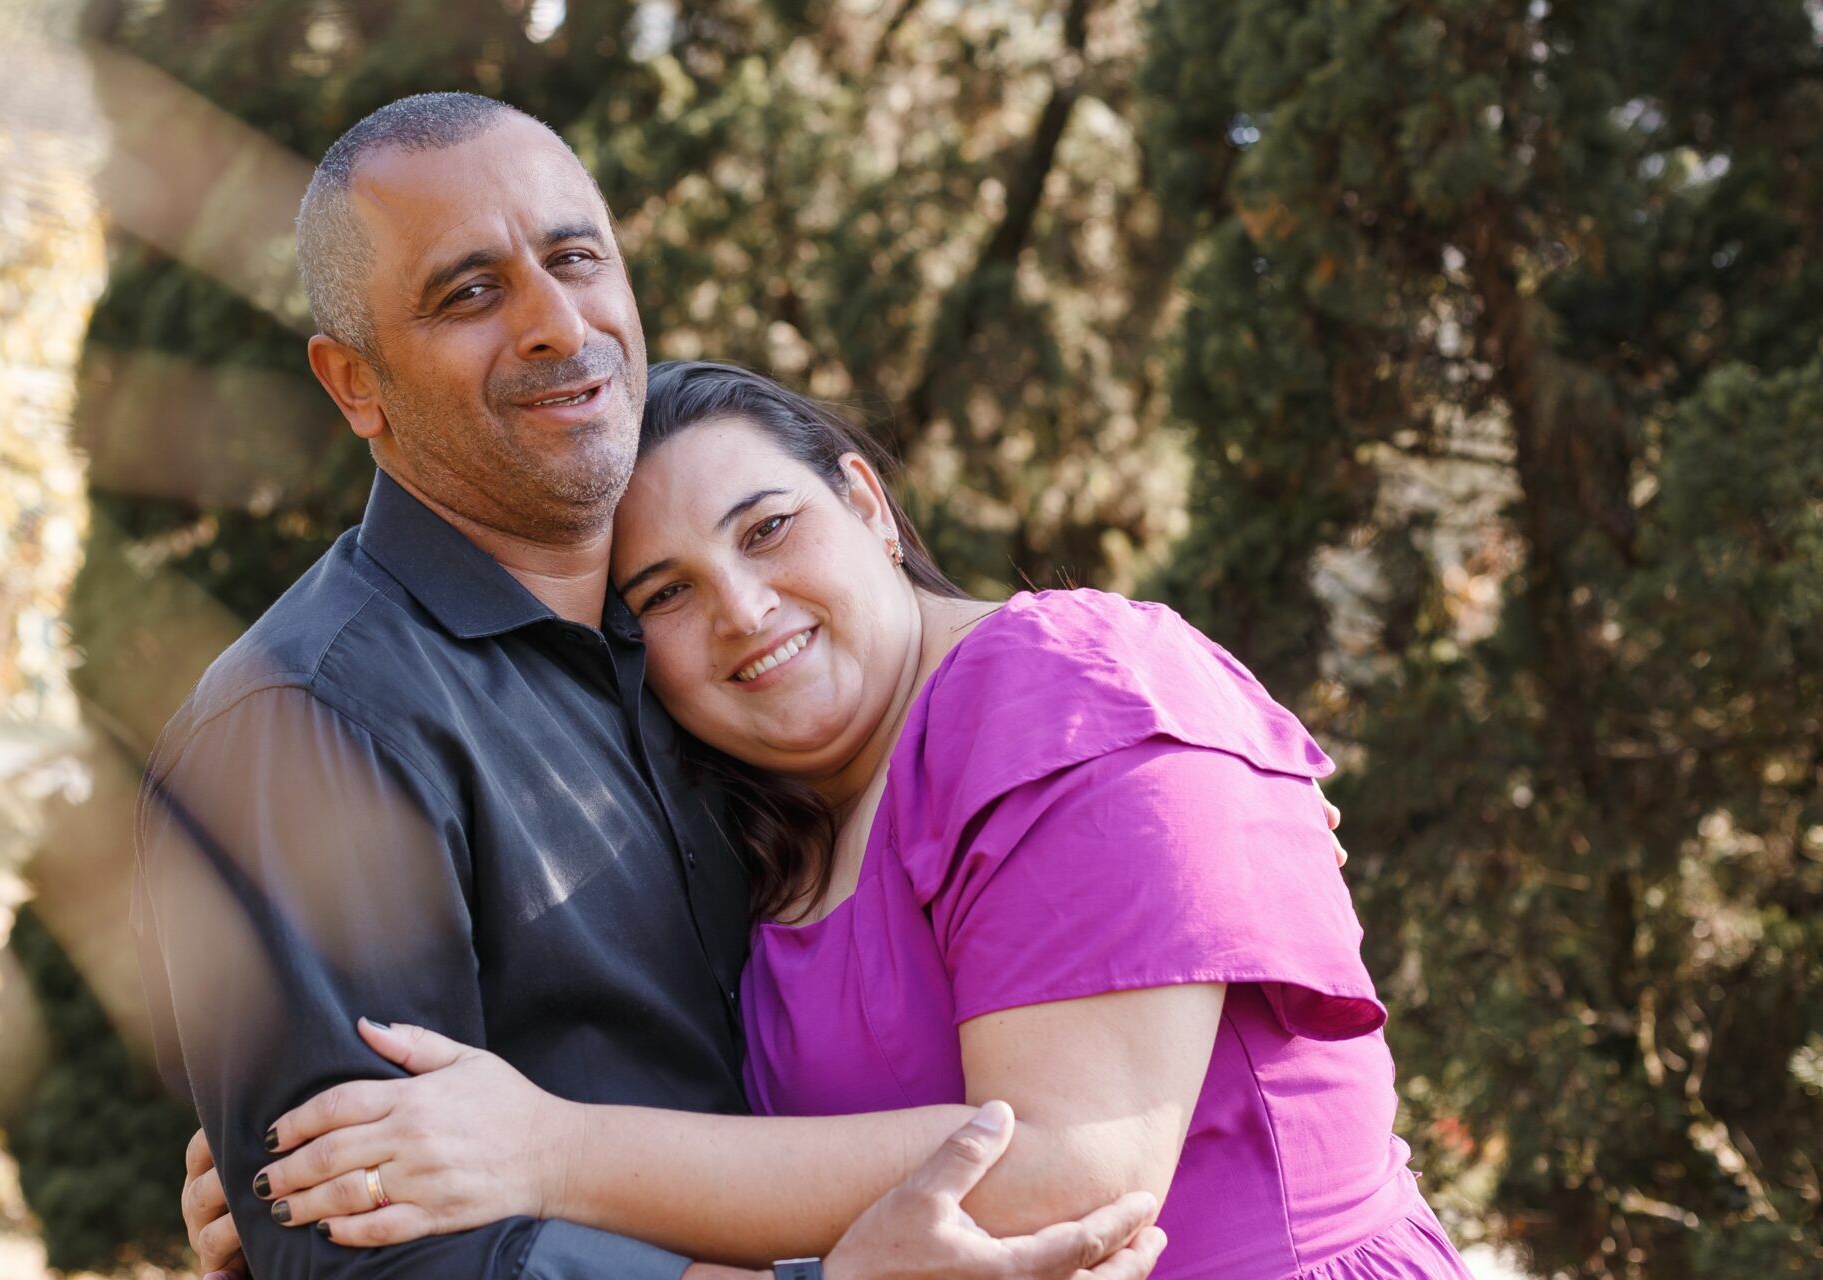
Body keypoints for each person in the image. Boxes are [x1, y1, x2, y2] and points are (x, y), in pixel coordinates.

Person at [135, 93, 1166, 1280]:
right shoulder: (309, 721)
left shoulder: (702, 654)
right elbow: (373, 1255)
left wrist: (1180, 776)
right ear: (355, 382)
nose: (554, 322)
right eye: (469, 293)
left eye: (576, 258)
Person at [179, 365, 1474, 1279]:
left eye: (768, 527)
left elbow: (1065, 1172)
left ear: (865, 501)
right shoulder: (771, 841)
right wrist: (343, 1171)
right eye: (665, 595)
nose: (742, 610)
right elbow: (795, 1197)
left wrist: (542, 1153)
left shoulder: (1069, 688)